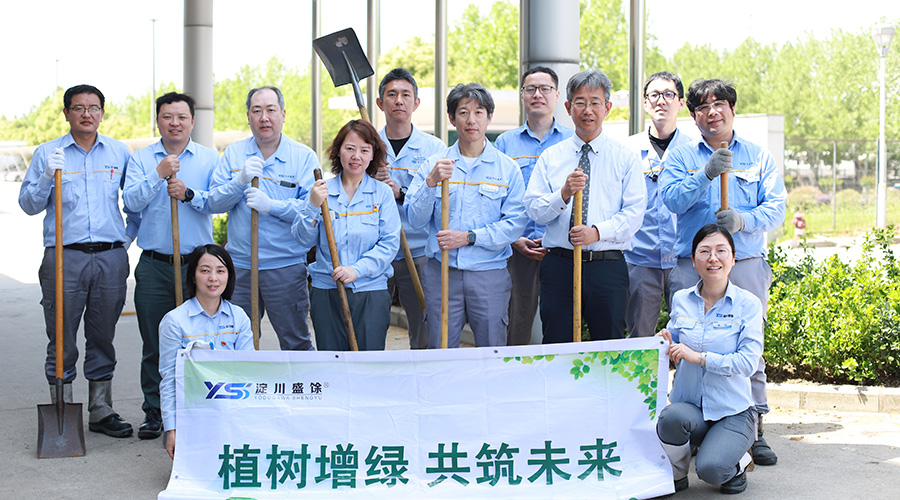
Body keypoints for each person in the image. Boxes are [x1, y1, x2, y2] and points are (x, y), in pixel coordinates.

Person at [660, 78, 786, 466]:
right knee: (687, 345)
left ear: (732, 109)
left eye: (720, 104)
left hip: (744, 263)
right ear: (693, 114)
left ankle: (753, 428)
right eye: (702, 107)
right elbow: (671, 199)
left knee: (747, 348)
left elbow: (776, 208)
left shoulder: (758, 157)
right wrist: (705, 174)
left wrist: (744, 220)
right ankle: (696, 426)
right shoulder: (681, 156)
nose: (712, 112)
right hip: (692, 264)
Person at [18, 84, 138, 437]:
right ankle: (63, 410)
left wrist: (124, 240)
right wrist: (45, 177)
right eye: (79, 107)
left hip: (110, 258)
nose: (87, 114)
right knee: (61, 336)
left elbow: (135, 202)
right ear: (66, 113)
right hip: (64, 257)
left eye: (93, 107)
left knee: (102, 335)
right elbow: (28, 205)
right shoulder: (48, 153)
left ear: (102, 112)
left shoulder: (119, 152)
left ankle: (101, 409)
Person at [122, 92, 220, 440]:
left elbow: (219, 202)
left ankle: (198, 407)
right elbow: (131, 201)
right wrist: (158, 175)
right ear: (158, 120)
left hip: (196, 265)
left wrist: (189, 193)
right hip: (155, 264)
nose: (174, 123)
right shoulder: (142, 159)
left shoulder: (209, 158)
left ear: (192, 121)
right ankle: (155, 410)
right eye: (167, 116)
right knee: (155, 341)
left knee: (199, 340)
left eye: (181, 117)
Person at [524, 70, 645, 343]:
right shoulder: (552, 157)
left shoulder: (625, 158)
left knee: (609, 346)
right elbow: (533, 208)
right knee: (556, 344)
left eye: (595, 102)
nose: (587, 110)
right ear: (568, 108)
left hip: (607, 267)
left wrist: (596, 232)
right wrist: (563, 194)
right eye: (580, 102)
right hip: (559, 266)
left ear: (607, 108)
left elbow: (634, 213)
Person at [406, 83, 527, 348]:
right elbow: (414, 219)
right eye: (463, 112)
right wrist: (430, 183)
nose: (471, 120)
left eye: (479, 112)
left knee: (491, 349)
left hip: (489, 274)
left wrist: (469, 237)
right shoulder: (434, 165)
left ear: (489, 117)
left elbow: (514, 225)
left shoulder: (507, 169)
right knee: (441, 350)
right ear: (452, 119)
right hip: (441, 273)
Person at [208, 86, 318, 351]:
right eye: (257, 111)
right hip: (241, 268)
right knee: (236, 343)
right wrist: (239, 182)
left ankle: (298, 381)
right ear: (248, 116)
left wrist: (272, 206)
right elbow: (214, 202)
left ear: (283, 114)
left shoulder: (303, 157)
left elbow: (311, 209)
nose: (264, 118)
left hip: (286, 267)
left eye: (271, 110)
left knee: (296, 343)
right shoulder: (234, 154)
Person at [655, 224, 761, 494]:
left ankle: (740, 461)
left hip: (732, 411)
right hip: (692, 408)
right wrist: (665, 340)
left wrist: (700, 358)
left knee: (712, 470)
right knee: (670, 417)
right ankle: (676, 474)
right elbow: (673, 340)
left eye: (721, 251)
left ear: (733, 258)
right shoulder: (681, 299)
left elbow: (748, 363)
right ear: (693, 260)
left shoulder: (748, 304)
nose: (713, 258)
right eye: (704, 252)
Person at [292, 120, 400, 351]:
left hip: (370, 290)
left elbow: (390, 244)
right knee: (332, 361)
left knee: (368, 362)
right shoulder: (321, 192)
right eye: (350, 148)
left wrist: (356, 270)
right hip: (327, 290)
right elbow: (302, 239)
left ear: (373, 155)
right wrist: (312, 206)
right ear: (338, 151)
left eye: (364, 150)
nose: (356, 156)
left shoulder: (382, 194)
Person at [495, 66, 573, 346]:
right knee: (517, 322)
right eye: (531, 89)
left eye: (545, 89)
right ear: (522, 96)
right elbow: (496, 198)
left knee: (562, 321)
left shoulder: (572, 140)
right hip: (519, 248)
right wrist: (514, 238)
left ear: (557, 96)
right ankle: (512, 372)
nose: (537, 94)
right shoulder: (505, 143)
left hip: (562, 248)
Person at [158, 244, 254, 459]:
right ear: (193, 276)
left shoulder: (239, 317)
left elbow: (249, 371)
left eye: (220, 271)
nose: (213, 278)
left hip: (231, 409)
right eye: (205, 270)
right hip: (193, 411)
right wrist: (171, 429)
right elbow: (169, 378)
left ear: (229, 275)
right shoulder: (174, 321)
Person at [373, 68, 445, 349]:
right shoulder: (367, 145)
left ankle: (422, 374)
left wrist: (400, 193)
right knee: (371, 326)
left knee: (424, 328)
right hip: (377, 252)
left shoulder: (434, 148)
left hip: (419, 252)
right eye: (391, 95)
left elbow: (439, 201)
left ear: (416, 103)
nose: (399, 101)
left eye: (406, 95)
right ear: (380, 103)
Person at [624, 72, 693, 338]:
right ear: (645, 103)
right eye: (654, 95)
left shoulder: (694, 149)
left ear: (681, 103)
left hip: (684, 260)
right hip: (640, 259)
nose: (661, 101)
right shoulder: (627, 151)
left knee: (689, 335)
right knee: (639, 337)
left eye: (668, 94)